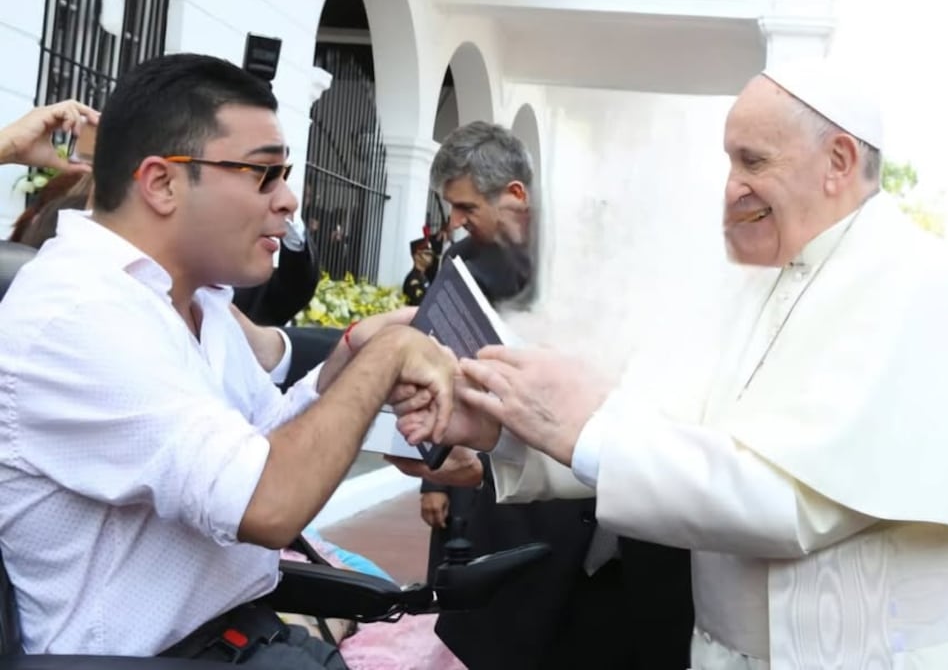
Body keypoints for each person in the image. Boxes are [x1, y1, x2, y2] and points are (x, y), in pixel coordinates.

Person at [399, 65, 948, 670]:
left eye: (753, 160)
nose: (732, 186)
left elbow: (789, 499)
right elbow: (651, 421)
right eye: (730, 160)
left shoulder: (920, 281)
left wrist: (578, 434)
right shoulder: (753, 282)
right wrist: (502, 428)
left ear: (838, 161)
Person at [0, 53, 455, 662]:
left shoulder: (194, 302)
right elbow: (268, 502)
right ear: (161, 183)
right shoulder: (78, 315)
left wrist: (350, 357)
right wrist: (384, 361)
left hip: (240, 638)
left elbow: (264, 439)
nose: (288, 200)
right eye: (262, 174)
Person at [418, 120, 695, 670]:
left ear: (515, 195)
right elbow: (445, 370)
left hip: (638, 542)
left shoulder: (630, 263)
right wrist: (436, 476)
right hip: (528, 515)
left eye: (467, 207)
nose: (457, 222)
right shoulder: (464, 267)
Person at [404, 237, 434, 305]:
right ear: (416, 256)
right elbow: (419, 304)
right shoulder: (413, 279)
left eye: (431, 254)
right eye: (426, 254)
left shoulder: (423, 276)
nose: (430, 257)